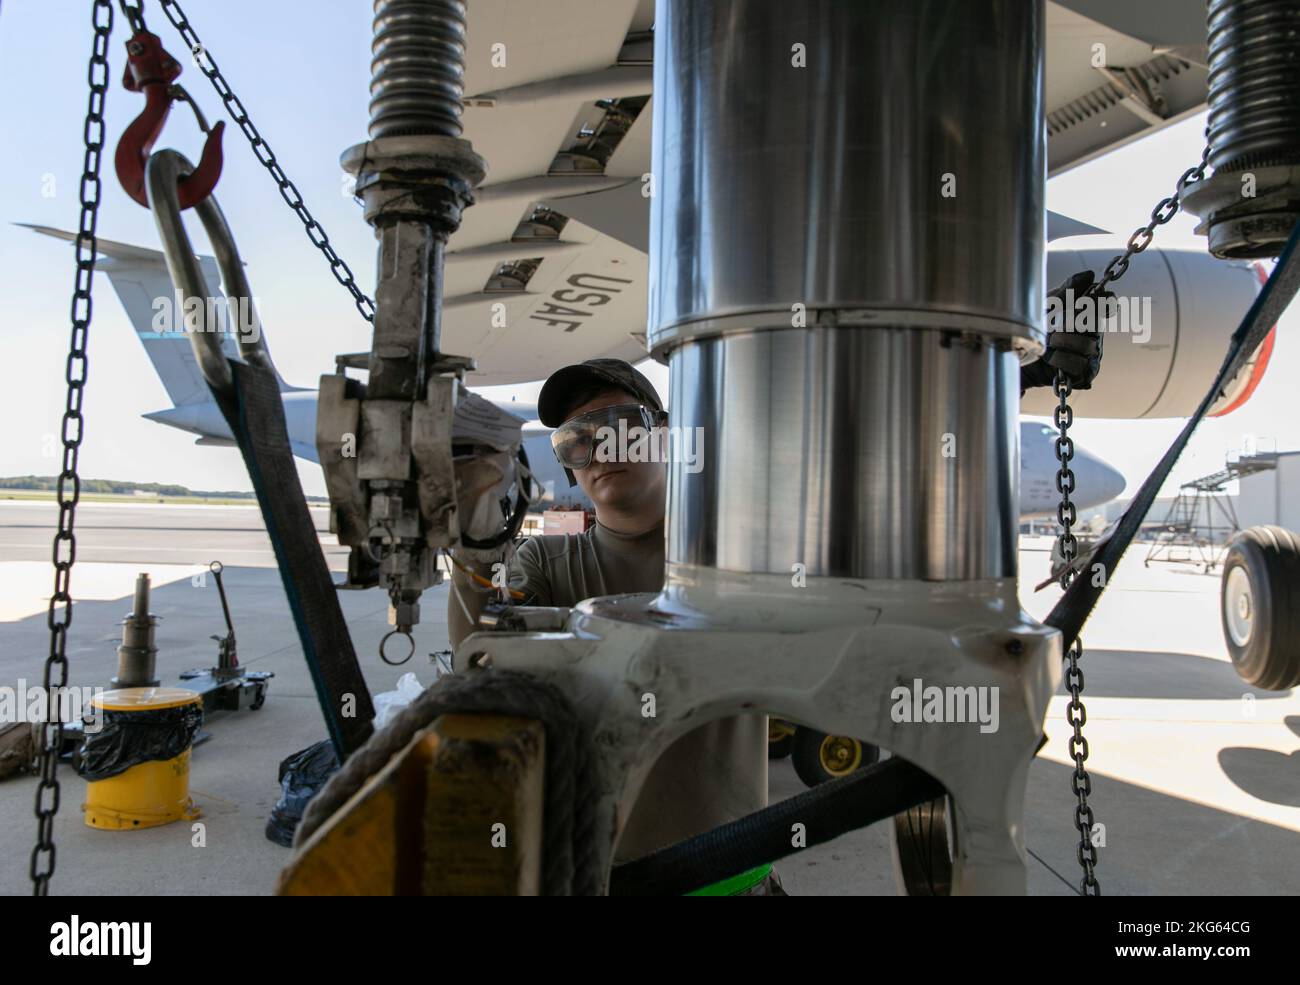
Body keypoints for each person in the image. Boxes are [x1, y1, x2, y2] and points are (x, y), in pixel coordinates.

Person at [448, 358, 777, 895]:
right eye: (575, 442)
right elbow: (479, 649)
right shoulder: (545, 562)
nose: (599, 451)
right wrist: (477, 537)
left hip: (730, 877)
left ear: (663, 435)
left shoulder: (734, 554)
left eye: (618, 428)